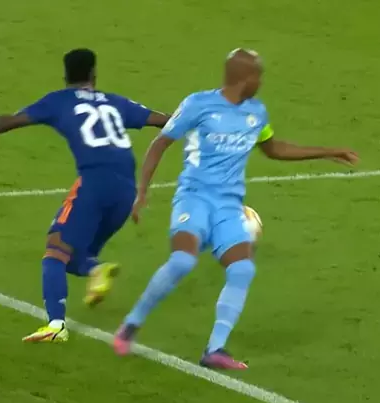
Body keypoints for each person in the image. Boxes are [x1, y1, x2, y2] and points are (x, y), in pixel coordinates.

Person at [113, 48, 359, 369]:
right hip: (195, 198)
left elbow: (273, 149)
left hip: (228, 207)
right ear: (245, 78)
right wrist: (142, 191)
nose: (261, 82)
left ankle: (215, 349)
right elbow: (160, 143)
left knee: (242, 269)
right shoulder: (198, 104)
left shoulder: (257, 112)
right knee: (182, 261)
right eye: (259, 76)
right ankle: (132, 324)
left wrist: (327, 151)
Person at [0, 48, 170, 343]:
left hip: (94, 185)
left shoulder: (59, 100)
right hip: (125, 192)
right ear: (94, 73)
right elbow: (163, 120)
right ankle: (97, 269)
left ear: (65, 75)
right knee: (74, 256)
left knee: (55, 251)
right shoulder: (115, 101)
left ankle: (56, 325)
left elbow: (9, 121)